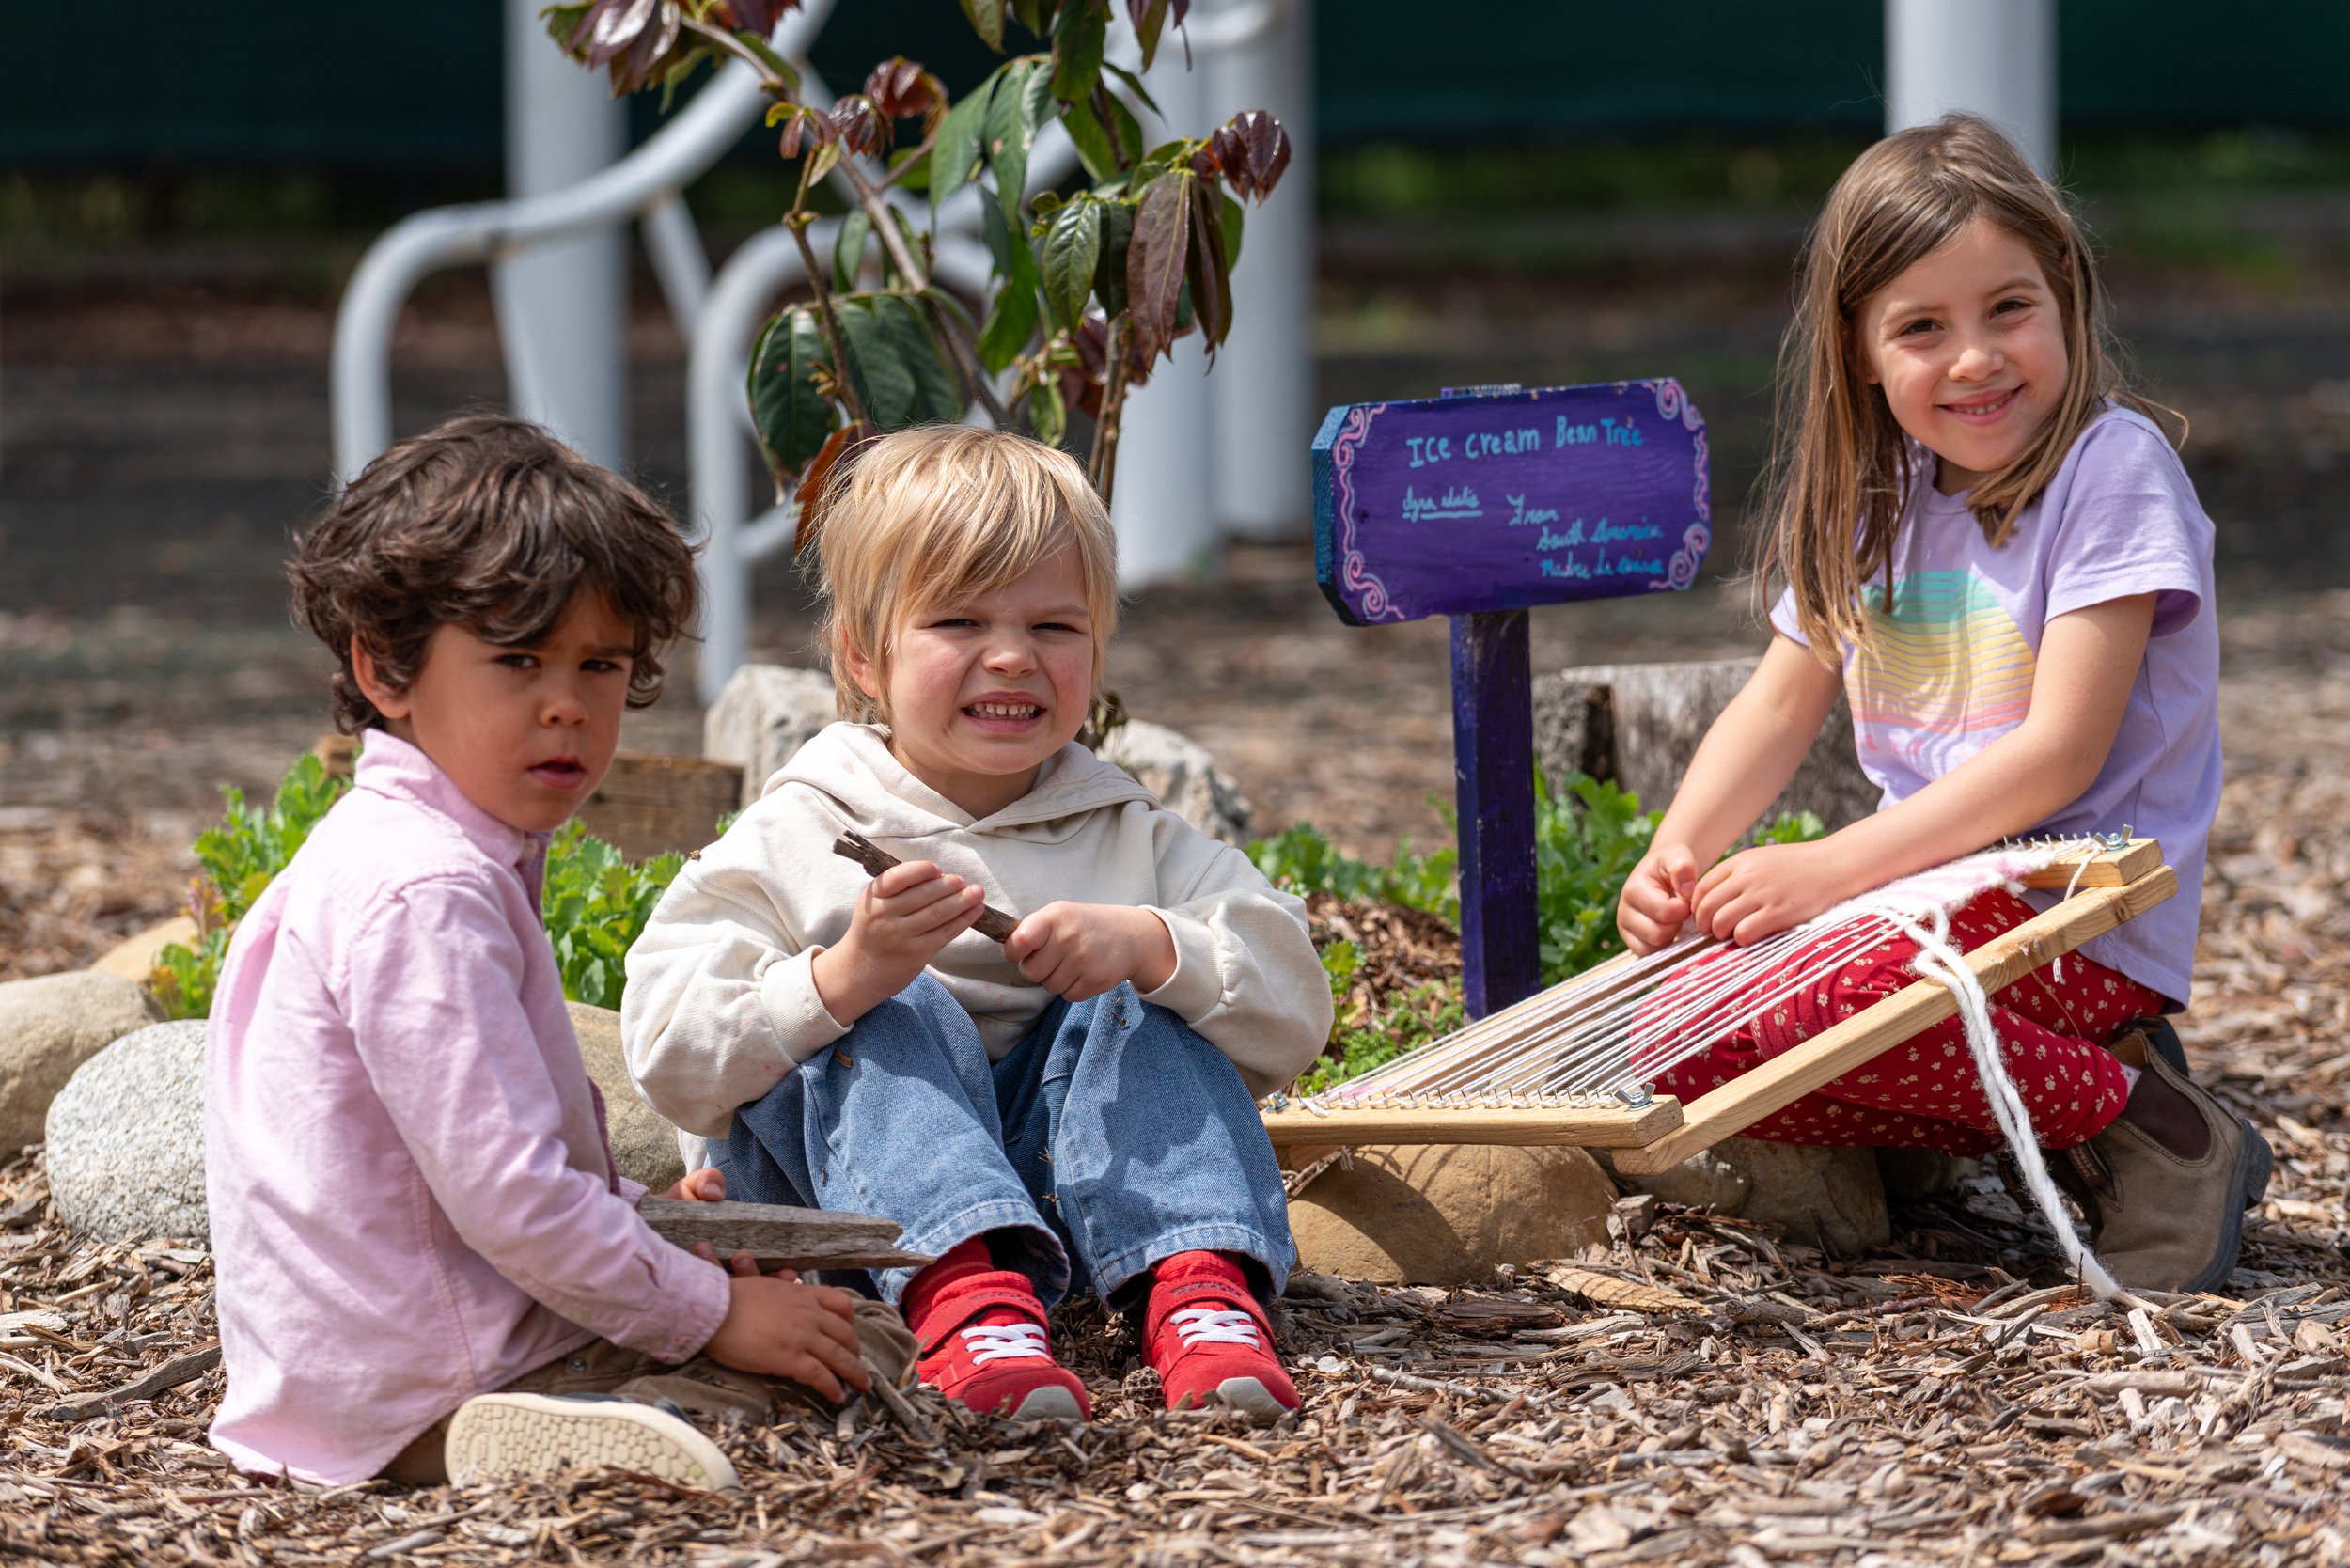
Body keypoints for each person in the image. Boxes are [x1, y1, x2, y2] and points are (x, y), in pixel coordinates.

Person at [1613, 115, 2269, 1294]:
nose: (1975, 358)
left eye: (2008, 309)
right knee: (1668, 1044)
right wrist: (1681, 849)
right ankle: (1953, 1102)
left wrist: (1829, 871)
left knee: (1830, 1002)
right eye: (1922, 327)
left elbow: (2058, 757)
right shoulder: (1873, 498)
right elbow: (1773, 709)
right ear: (1860, 349)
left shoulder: (2109, 472)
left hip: (2076, 910)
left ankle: (2151, 1131)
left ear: (2064, 295)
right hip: (1921, 909)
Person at [204, 416, 911, 1492]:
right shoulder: (426, 891)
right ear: (384, 667)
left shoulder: (407, 851)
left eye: (599, 664)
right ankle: (534, 1436)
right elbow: (512, 1199)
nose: (566, 705)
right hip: (436, 1374)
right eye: (517, 659)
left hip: (362, 1365)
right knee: (850, 1354)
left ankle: (580, 1406)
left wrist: (654, 1234)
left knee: (820, 1327)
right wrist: (708, 1309)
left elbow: (479, 1172)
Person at [623, 425, 1330, 1425]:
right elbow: (668, 1053)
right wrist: (842, 978)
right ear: (863, 658)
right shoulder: (802, 828)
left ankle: (1198, 1286)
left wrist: (1149, 946)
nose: (1011, 657)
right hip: (848, 1218)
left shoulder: (1128, 831)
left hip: (1073, 1207)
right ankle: (964, 1303)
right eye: (958, 622)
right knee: (887, 1005)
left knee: (1140, 1001)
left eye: (1054, 628)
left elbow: (1294, 1006)